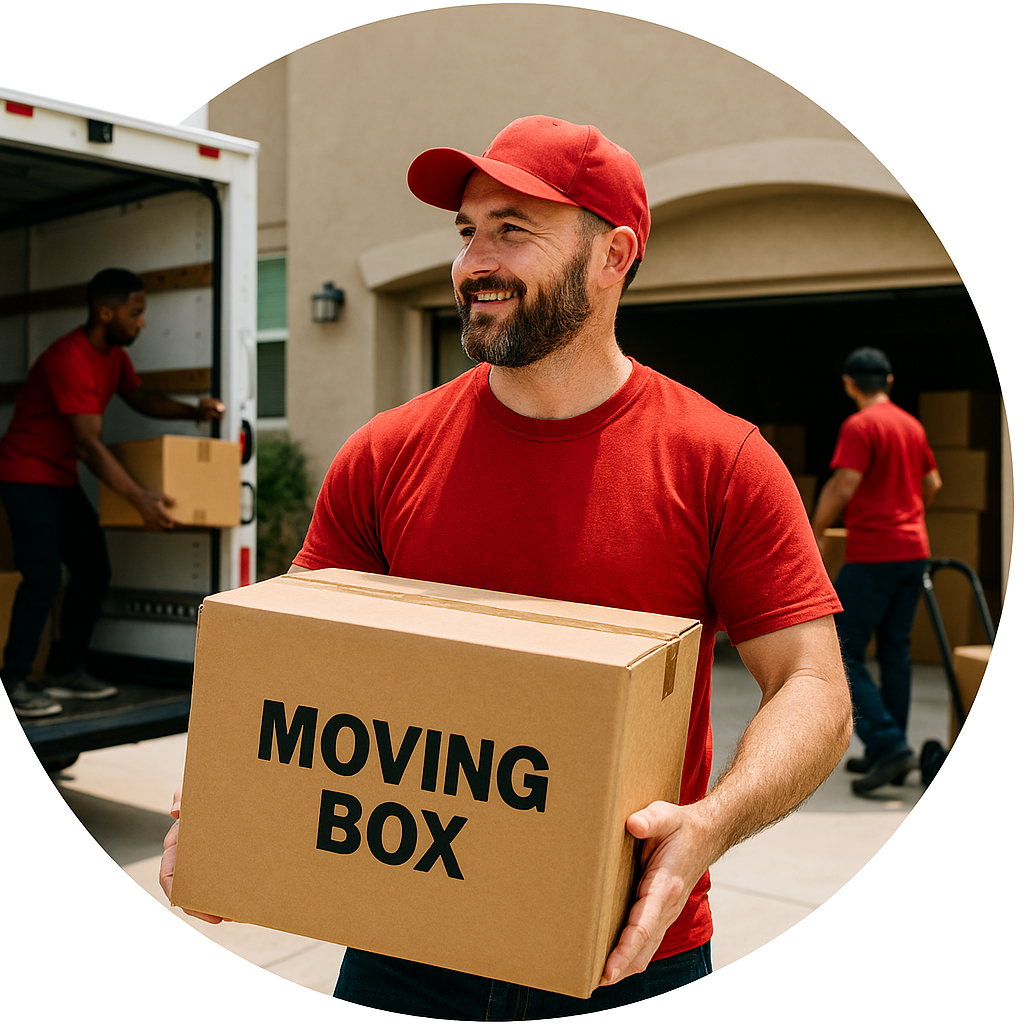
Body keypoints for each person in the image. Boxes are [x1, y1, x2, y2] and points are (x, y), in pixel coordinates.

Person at [160, 116, 851, 1017]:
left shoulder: (718, 461)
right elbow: (296, 664)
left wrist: (710, 825)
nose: (473, 260)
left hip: (625, 953)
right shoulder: (386, 453)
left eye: (512, 229)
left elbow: (813, 685)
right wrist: (229, 808)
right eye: (465, 231)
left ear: (614, 255)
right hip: (400, 943)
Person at [1, 268, 225, 720]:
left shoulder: (114, 358)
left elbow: (140, 398)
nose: (142, 322)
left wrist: (194, 411)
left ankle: (65, 671)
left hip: (59, 478)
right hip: (25, 474)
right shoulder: (69, 358)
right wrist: (140, 497)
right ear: (106, 312)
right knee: (43, 577)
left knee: (93, 570)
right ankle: (15, 682)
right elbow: (88, 444)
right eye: (135, 312)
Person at [810, 347, 941, 796]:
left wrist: (814, 531)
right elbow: (932, 485)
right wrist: (907, 519)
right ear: (888, 382)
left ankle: (887, 745)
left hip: (874, 556)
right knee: (894, 651)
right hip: (912, 552)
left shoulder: (860, 426)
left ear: (849, 384)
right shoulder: (911, 425)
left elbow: (844, 482)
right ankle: (894, 746)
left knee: (841, 649)